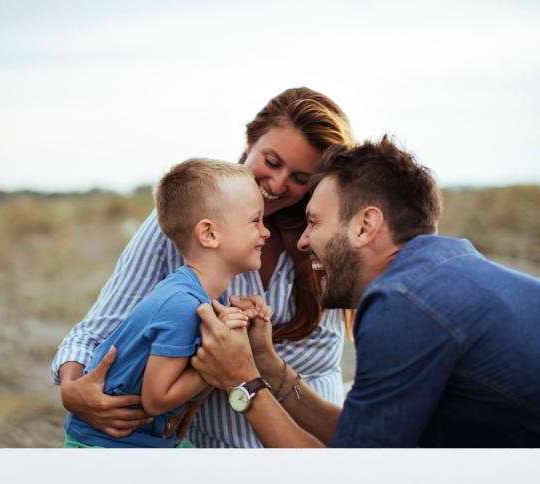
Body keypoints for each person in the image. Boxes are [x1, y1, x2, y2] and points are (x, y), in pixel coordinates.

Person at [51, 87, 356, 447]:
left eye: (300, 179)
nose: (277, 184)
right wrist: (73, 389)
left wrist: (241, 367)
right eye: (272, 162)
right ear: (250, 141)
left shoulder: (326, 240)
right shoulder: (188, 222)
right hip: (212, 454)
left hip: (310, 453)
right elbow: (100, 330)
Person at [191, 136, 540, 447]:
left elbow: (354, 472)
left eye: (314, 222)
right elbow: (360, 440)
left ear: (364, 226)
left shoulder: (401, 303)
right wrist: (267, 367)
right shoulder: (442, 277)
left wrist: (242, 381)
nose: (303, 241)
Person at [63, 158, 271, 447]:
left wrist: (241, 325)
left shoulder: (209, 295)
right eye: (255, 221)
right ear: (209, 234)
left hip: (147, 439)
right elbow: (156, 399)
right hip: (106, 445)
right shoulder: (180, 305)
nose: (265, 231)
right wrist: (215, 365)